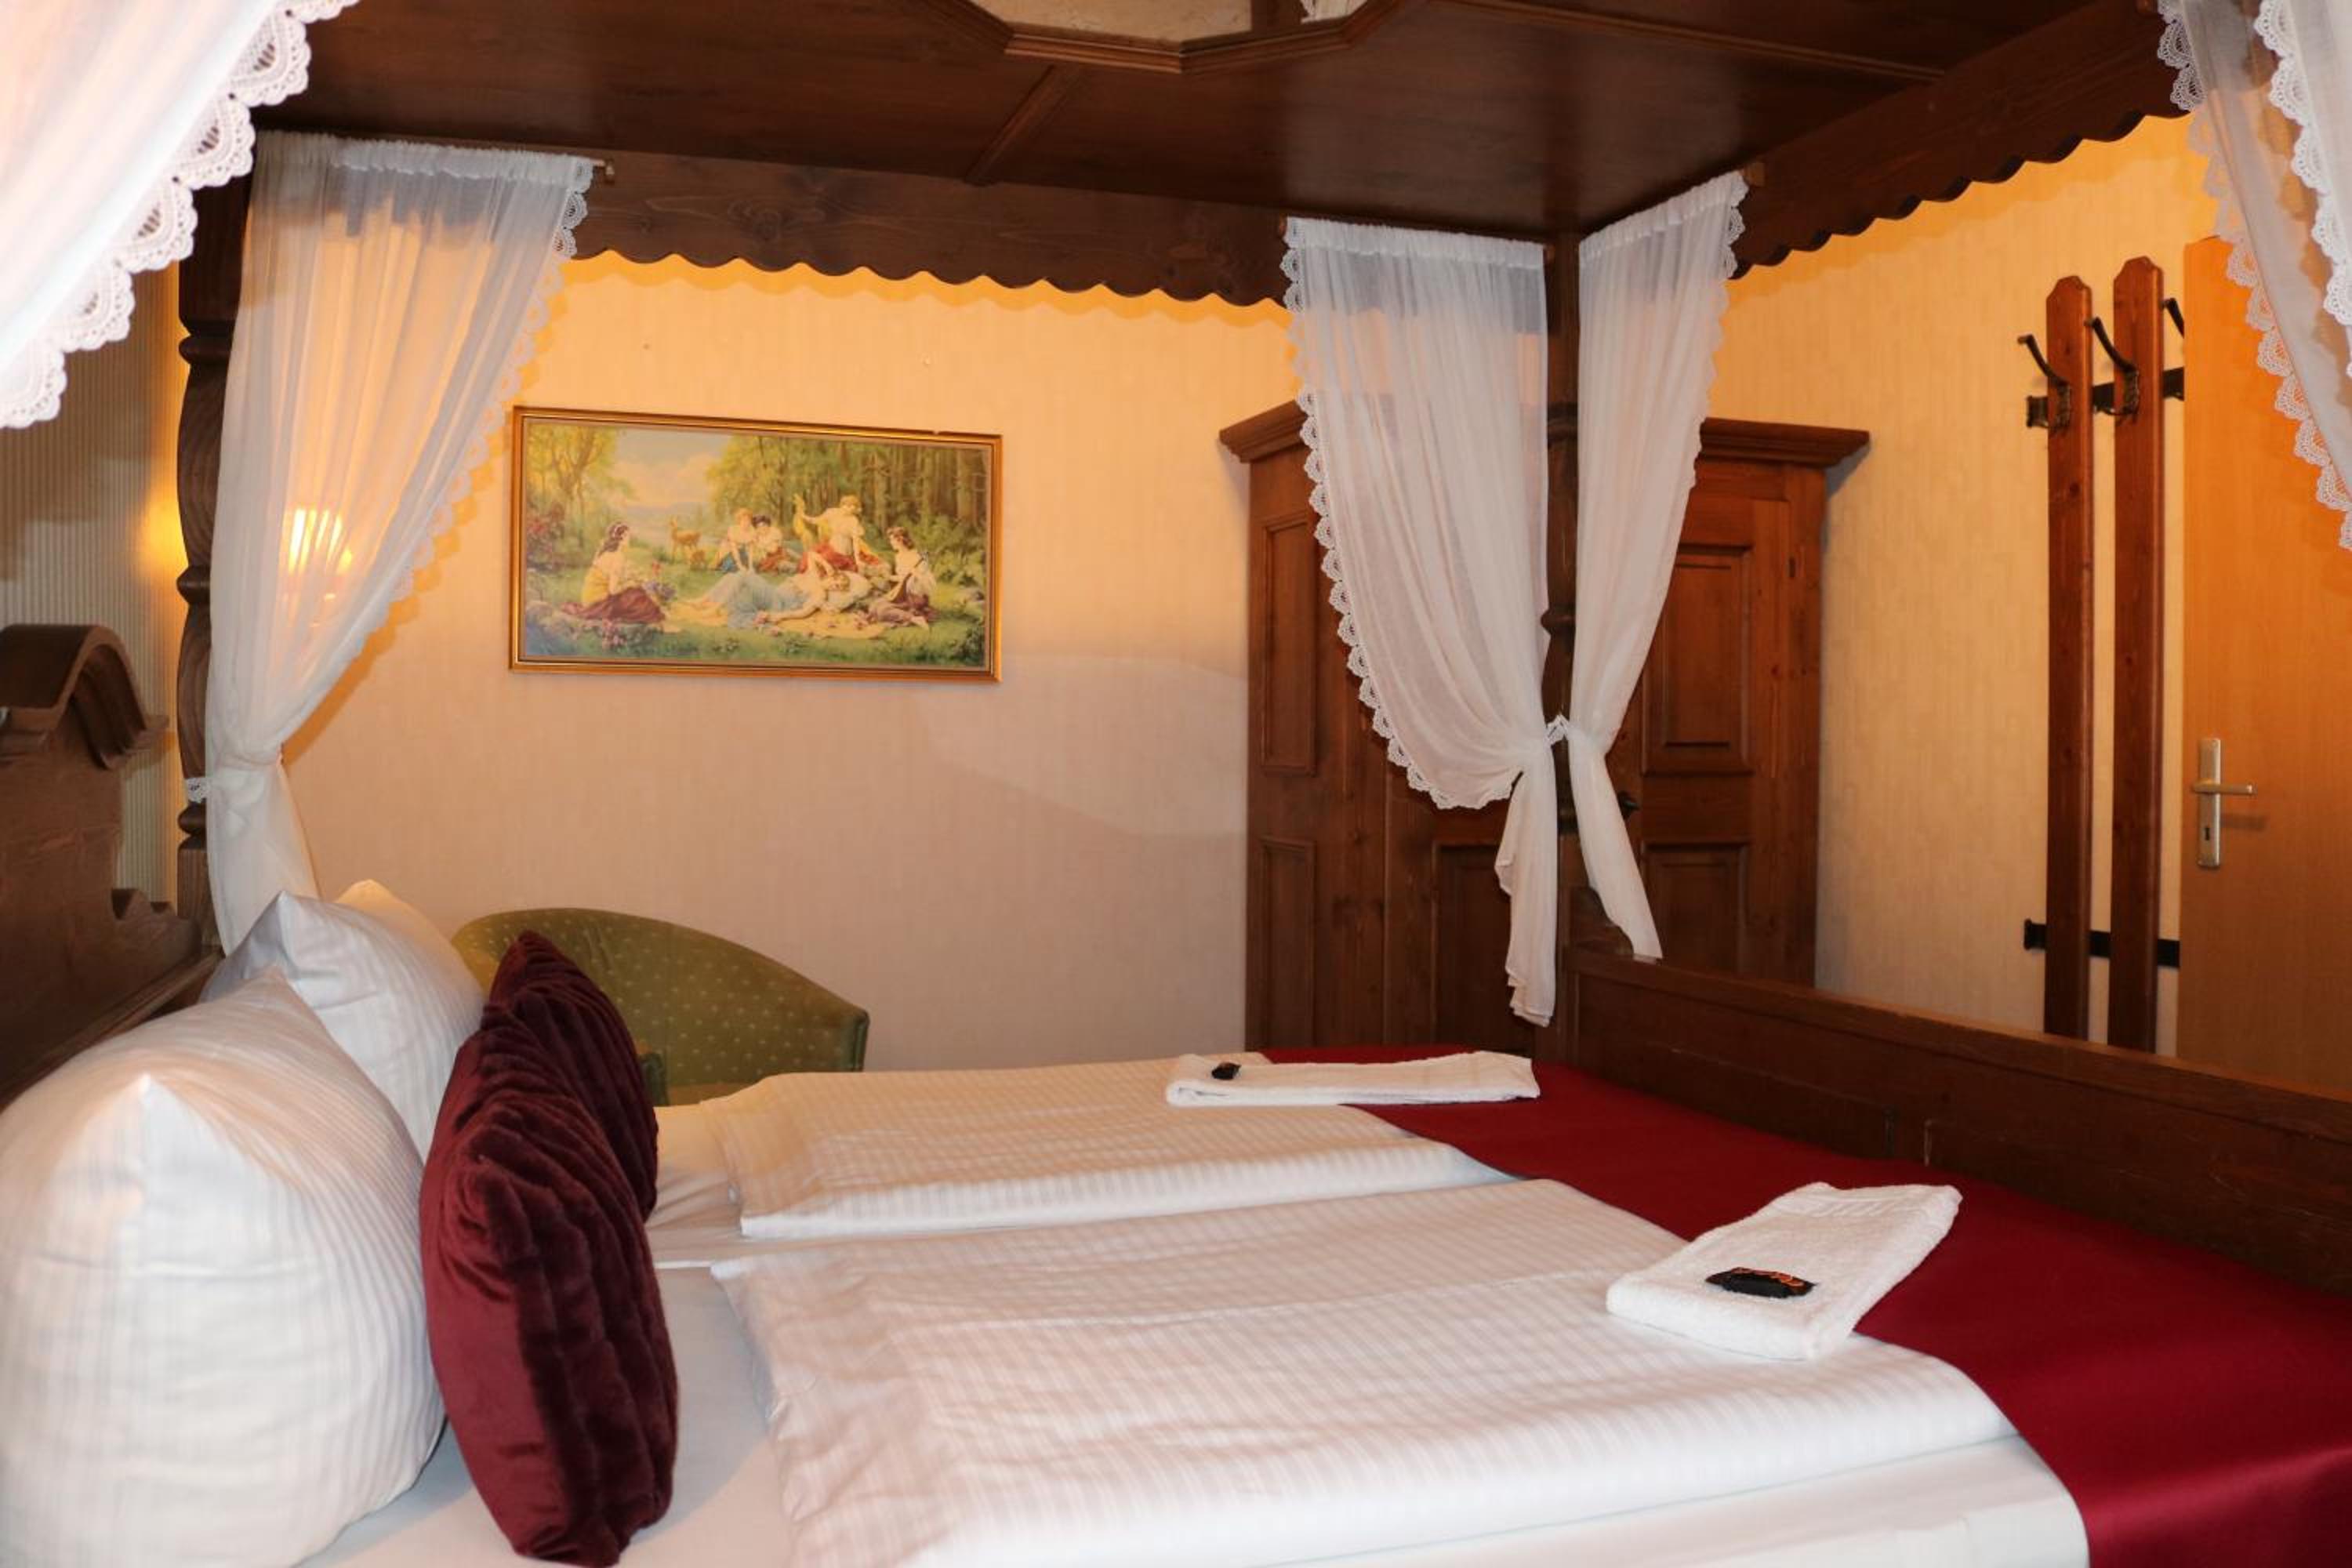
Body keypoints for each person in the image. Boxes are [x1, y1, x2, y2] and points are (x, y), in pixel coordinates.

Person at [571, 523, 666, 626]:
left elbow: (609, 579)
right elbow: (613, 590)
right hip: (598, 602)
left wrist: (629, 580)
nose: (630, 539)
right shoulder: (618, 557)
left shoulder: (605, 551)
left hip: (588, 598)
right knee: (637, 595)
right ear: (622, 537)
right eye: (628, 536)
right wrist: (630, 584)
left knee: (634, 592)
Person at [868, 525, 938, 626]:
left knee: (882, 611)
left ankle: (914, 618)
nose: (891, 542)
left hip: (914, 597)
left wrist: (916, 574)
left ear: (900, 540)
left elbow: (929, 585)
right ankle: (907, 615)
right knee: (873, 606)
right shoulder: (899, 557)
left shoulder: (915, 556)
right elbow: (903, 578)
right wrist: (889, 577)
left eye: (892, 540)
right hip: (902, 595)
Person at [793, 492, 880, 572]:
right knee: (810, 557)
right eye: (848, 506)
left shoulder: (853, 521)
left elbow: (855, 541)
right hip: (831, 547)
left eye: (853, 507)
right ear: (842, 505)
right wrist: (803, 516)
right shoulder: (832, 513)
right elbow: (816, 520)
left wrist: (857, 559)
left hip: (843, 552)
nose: (850, 509)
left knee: (823, 562)